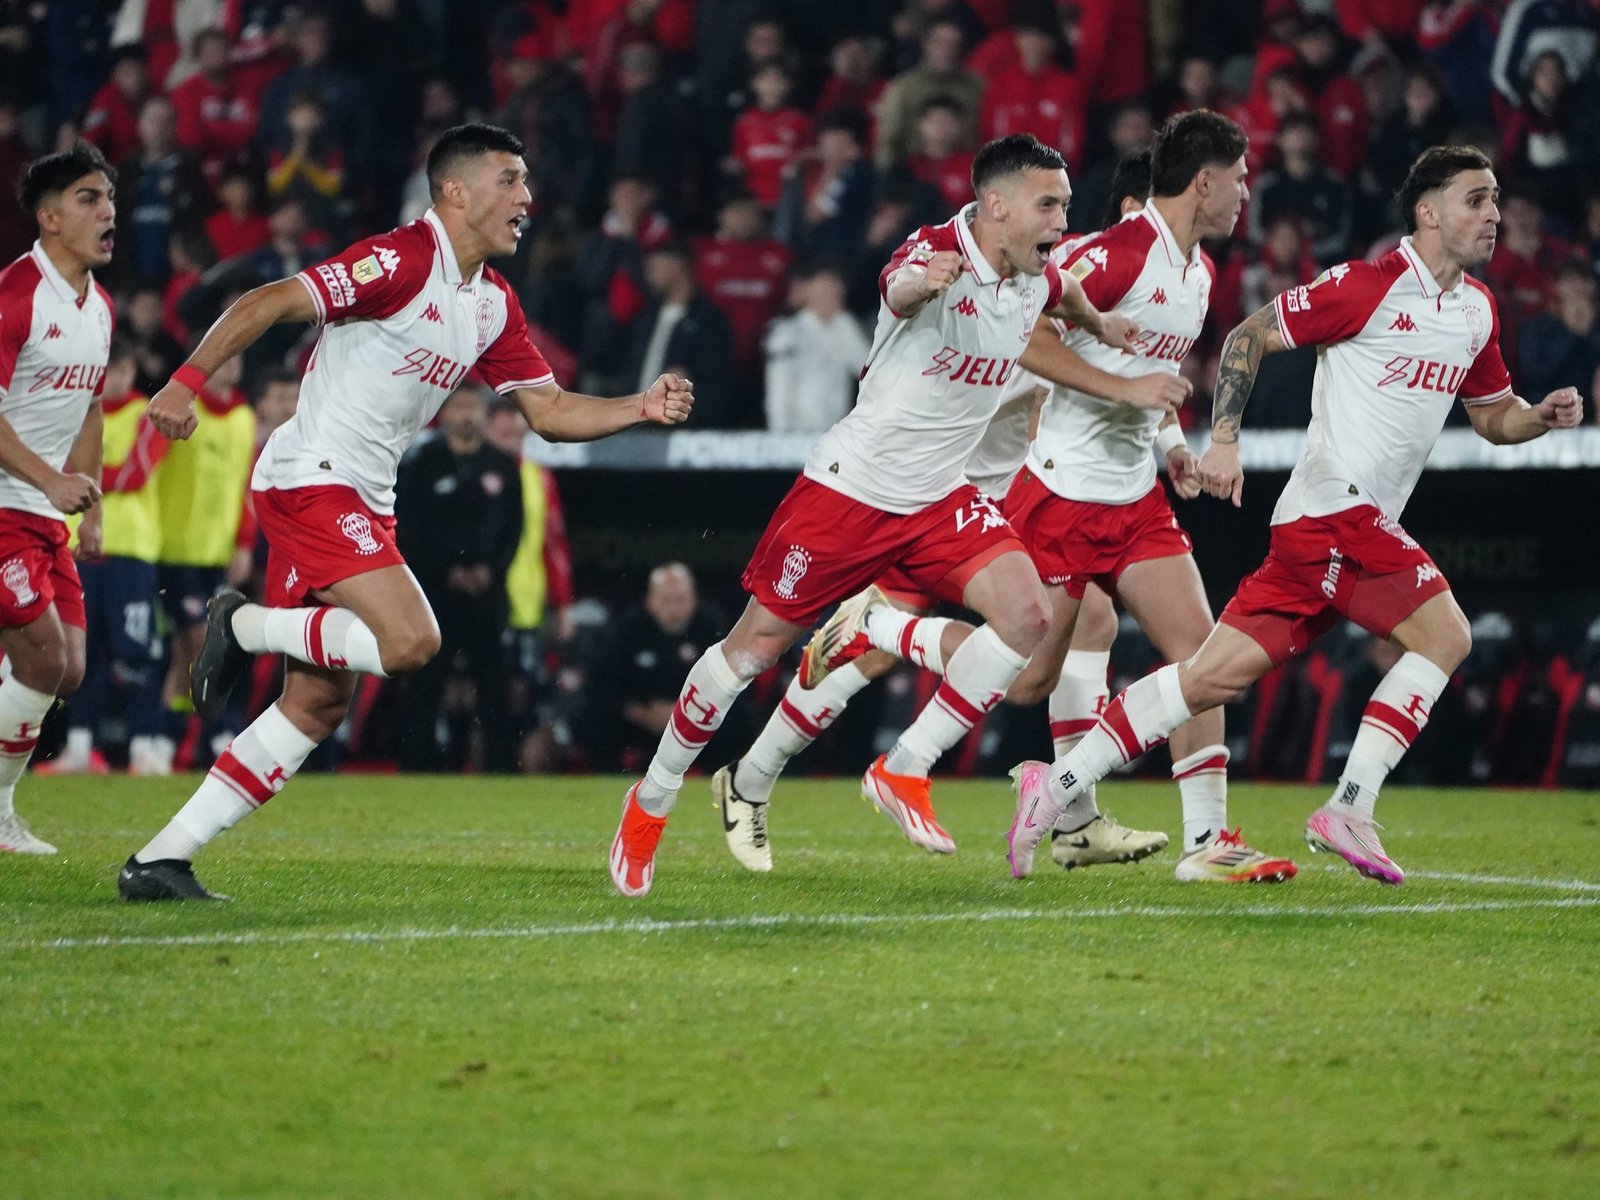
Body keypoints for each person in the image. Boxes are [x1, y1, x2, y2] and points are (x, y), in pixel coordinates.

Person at [117, 124, 694, 901]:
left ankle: (160, 859)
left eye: (526, 182)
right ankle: (245, 625)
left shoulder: (491, 304)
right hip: (311, 478)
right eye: (510, 180)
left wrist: (638, 406)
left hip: (364, 496)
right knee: (412, 640)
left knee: (316, 703)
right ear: (455, 191)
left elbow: (550, 411)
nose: (527, 197)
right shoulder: (401, 261)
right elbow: (267, 300)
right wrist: (185, 381)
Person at [608, 133, 1183, 898]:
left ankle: (902, 763)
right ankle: (651, 801)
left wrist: (1102, 323)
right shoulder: (937, 251)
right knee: (751, 651)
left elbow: (1062, 293)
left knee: (1028, 618)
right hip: (852, 492)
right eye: (1049, 205)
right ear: (996, 205)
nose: (1062, 222)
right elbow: (900, 285)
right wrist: (922, 283)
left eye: (1067, 206)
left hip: (943, 498)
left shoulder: (1038, 274)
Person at [1007, 144, 1586, 885]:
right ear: (1428, 213)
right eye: (1477, 199)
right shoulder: (1365, 286)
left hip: (1324, 528)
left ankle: (1054, 785)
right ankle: (1350, 805)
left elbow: (1492, 415)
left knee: (1207, 677)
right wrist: (1221, 441)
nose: (1494, 214)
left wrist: (1538, 417)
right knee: (1447, 635)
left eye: (1496, 199)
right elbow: (1248, 336)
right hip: (1333, 511)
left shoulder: (1477, 311)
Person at [807, 112, 1293, 884]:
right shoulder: (1116, 252)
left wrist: (1172, 446)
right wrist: (1125, 391)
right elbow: (1023, 331)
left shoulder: (1198, 275)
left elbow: (1150, 375)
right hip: (1060, 494)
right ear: (1204, 182)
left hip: (1134, 498)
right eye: (1238, 179)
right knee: (1026, 679)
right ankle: (881, 624)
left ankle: (1206, 841)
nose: (1245, 194)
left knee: (1204, 657)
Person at [0, 144, 116, 854]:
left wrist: (92, 505)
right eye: (88, 199)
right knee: (42, 661)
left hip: (45, 513)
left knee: (68, 667)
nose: (107, 212)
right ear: (49, 218)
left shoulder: (97, 309)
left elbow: (92, 409)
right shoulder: (16, 295)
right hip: (4, 505)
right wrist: (49, 479)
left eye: (109, 199)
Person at [54, 338, 168, 776]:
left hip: (131, 549)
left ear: (132, 373)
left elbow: (136, 474)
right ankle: (81, 747)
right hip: (78, 549)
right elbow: (57, 472)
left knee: (134, 651)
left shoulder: (148, 414)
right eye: (107, 371)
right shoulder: (72, 414)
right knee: (82, 651)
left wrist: (81, 477)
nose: (115, 380)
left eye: (122, 371)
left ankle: (145, 746)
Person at [394, 384, 523, 772]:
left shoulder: (503, 465)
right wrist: (445, 570)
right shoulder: (421, 464)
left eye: (474, 407)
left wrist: (490, 569)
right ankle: (417, 766)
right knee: (426, 682)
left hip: (488, 594)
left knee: (494, 685)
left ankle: (499, 768)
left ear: (484, 414)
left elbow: (514, 528)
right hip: (436, 593)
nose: (467, 415)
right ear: (445, 413)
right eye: (460, 407)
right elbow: (409, 528)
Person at [485, 397, 572, 773]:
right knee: (483, 699)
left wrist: (563, 604)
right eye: (502, 420)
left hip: (526, 606)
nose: (511, 427)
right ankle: (479, 775)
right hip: (480, 605)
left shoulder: (538, 476)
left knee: (532, 702)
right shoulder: (476, 471)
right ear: (488, 426)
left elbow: (554, 543)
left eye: (516, 419)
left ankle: (525, 783)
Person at [585, 563, 725, 771]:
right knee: (593, 718)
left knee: (741, 720)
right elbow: (602, 683)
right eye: (666, 601)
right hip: (639, 720)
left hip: (698, 719)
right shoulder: (630, 627)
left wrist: (686, 714)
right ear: (650, 602)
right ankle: (607, 774)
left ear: (694, 600)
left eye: (681, 600)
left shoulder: (710, 626)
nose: (674, 609)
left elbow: (727, 681)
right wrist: (642, 713)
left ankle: (724, 775)